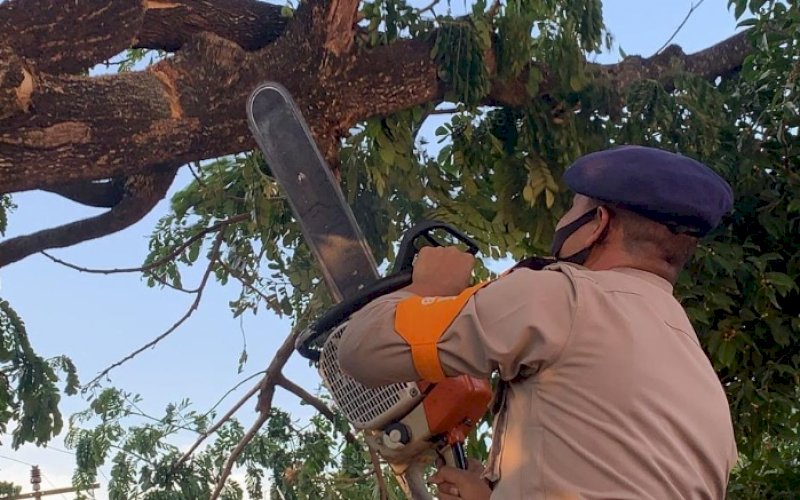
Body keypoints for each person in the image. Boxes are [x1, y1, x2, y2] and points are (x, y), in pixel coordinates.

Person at [337, 145, 738, 499]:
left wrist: (428, 287)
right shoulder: (698, 371)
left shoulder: (563, 295)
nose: (562, 220)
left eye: (572, 208)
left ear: (598, 222)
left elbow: (362, 348)